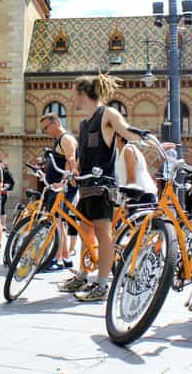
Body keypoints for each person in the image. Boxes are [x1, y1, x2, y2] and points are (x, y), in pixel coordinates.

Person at [58, 74, 142, 302]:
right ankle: (84, 275)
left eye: (73, 92)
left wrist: (147, 138)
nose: (72, 97)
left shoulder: (107, 114)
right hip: (86, 186)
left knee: (103, 234)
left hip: (103, 186)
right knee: (85, 232)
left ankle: (103, 284)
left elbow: (127, 132)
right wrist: (76, 171)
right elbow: (85, 155)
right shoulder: (84, 123)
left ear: (82, 93)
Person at [39, 113, 78, 272]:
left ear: (55, 123)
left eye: (46, 127)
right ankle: (65, 259)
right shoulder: (58, 140)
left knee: (57, 222)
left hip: (63, 187)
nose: (45, 131)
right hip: (56, 187)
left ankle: (57, 259)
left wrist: (63, 182)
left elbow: (72, 160)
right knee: (58, 223)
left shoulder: (66, 139)